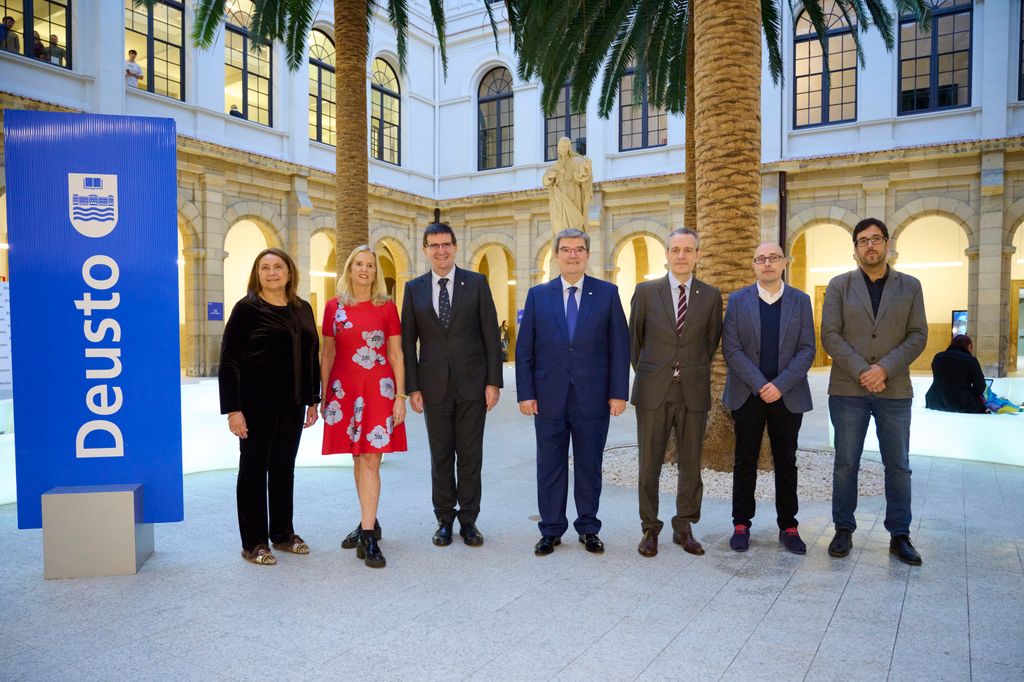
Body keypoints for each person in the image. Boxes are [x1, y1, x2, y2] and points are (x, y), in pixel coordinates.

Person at [516, 228, 630, 556]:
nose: (572, 255)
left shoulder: (607, 294)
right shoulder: (539, 295)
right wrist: (526, 393)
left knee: (589, 464)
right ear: (556, 255)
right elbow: (525, 350)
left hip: (592, 397)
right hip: (549, 397)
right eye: (565, 250)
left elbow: (619, 348)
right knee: (549, 465)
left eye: (579, 249)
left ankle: (588, 527)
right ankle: (551, 529)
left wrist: (618, 393)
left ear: (587, 255)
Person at [822, 218, 928, 566]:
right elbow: (831, 335)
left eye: (876, 239)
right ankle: (843, 529)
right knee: (845, 462)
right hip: (847, 389)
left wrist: (884, 369)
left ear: (887, 244)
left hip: (894, 388)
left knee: (898, 466)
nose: (870, 246)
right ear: (854, 248)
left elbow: (918, 335)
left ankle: (900, 535)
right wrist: (864, 372)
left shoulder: (910, 286)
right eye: (863, 240)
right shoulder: (839, 286)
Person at [401, 213, 503, 547]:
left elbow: (490, 335)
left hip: (473, 385)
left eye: (446, 244)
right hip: (433, 388)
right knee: (441, 456)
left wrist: (493, 382)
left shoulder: (476, 283)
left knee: (471, 456)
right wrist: (412, 387)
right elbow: (407, 342)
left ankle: (469, 521)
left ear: (455, 247)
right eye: (434, 246)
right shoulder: (413, 289)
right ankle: (444, 519)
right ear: (425, 250)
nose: (441, 251)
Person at [218, 248, 321, 566]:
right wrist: (233, 409)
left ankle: (282, 534)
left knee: (283, 470)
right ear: (257, 274)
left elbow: (310, 355)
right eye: (265, 267)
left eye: (279, 267)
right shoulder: (247, 309)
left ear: (290, 273)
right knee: (252, 472)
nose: (272, 272)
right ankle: (253, 543)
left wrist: (312, 399)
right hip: (255, 407)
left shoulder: (302, 309)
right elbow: (229, 361)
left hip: (291, 405)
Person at [629, 227, 722, 558]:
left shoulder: (710, 297)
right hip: (653, 390)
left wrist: (688, 370)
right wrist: (656, 371)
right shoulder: (645, 292)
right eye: (675, 249)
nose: (681, 255)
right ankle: (649, 529)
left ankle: (684, 526)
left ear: (698, 255)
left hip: (693, 391)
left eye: (688, 250)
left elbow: (710, 344)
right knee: (649, 462)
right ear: (666, 255)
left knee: (691, 464)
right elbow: (635, 342)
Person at [722, 242, 816, 554]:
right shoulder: (738, 301)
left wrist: (780, 385)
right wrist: (762, 384)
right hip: (747, 394)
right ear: (753, 265)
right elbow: (731, 349)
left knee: (786, 460)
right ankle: (741, 524)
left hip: (787, 396)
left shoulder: (801, 302)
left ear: (784, 263)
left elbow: (807, 350)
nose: (767, 264)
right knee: (745, 459)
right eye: (761, 259)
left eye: (773, 258)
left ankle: (789, 526)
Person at [321, 245, 408, 568]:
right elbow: (327, 352)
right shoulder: (333, 307)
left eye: (370, 265)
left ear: (376, 272)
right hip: (345, 390)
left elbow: (397, 353)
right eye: (358, 264)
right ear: (349, 269)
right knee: (358, 457)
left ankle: (368, 535)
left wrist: (400, 396)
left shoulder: (387, 308)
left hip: (378, 390)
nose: (364, 270)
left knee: (371, 458)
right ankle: (367, 520)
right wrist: (324, 393)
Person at [925, 334, 987, 414]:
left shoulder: (938, 357)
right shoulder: (970, 360)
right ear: (969, 346)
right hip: (961, 403)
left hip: (935, 401)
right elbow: (980, 386)